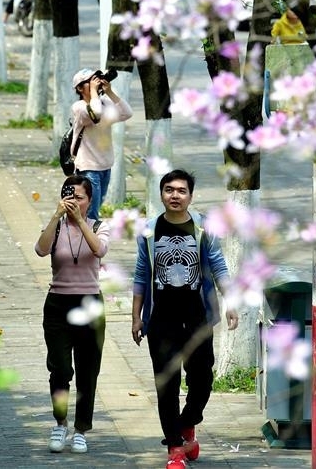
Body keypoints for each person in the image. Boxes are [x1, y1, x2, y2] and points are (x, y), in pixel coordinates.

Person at [131, 169, 239, 469]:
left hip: (197, 318)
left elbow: (219, 266)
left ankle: (187, 423)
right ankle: (175, 449)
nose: (175, 195)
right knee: (167, 385)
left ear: (190, 196)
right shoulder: (150, 231)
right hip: (160, 320)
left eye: (181, 190)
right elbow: (141, 274)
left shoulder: (203, 228)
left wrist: (230, 302)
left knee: (202, 380)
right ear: (161, 194)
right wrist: (136, 316)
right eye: (169, 190)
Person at [34, 175, 110, 455]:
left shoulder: (99, 226)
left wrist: (80, 220)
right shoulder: (55, 228)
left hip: (89, 303)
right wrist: (56, 216)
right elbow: (40, 250)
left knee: (88, 371)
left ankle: (81, 429)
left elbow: (99, 249)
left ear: (90, 200)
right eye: (70, 196)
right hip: (58, 304)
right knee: (60, 368)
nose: (74, 201)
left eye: (80, 197)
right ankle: (60, 423)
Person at [70, 67, 133, 219]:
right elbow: (96, 113)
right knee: (91, 213)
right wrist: (94, 92)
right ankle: (87, 234)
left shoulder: (103, 103)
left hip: (105, 165)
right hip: (88, 167)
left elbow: (127, 113)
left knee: (94, 208)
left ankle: (87, 232)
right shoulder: (79, 108)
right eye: (90, 81)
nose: (96, 83)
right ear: (80, 88)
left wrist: (109, 92)